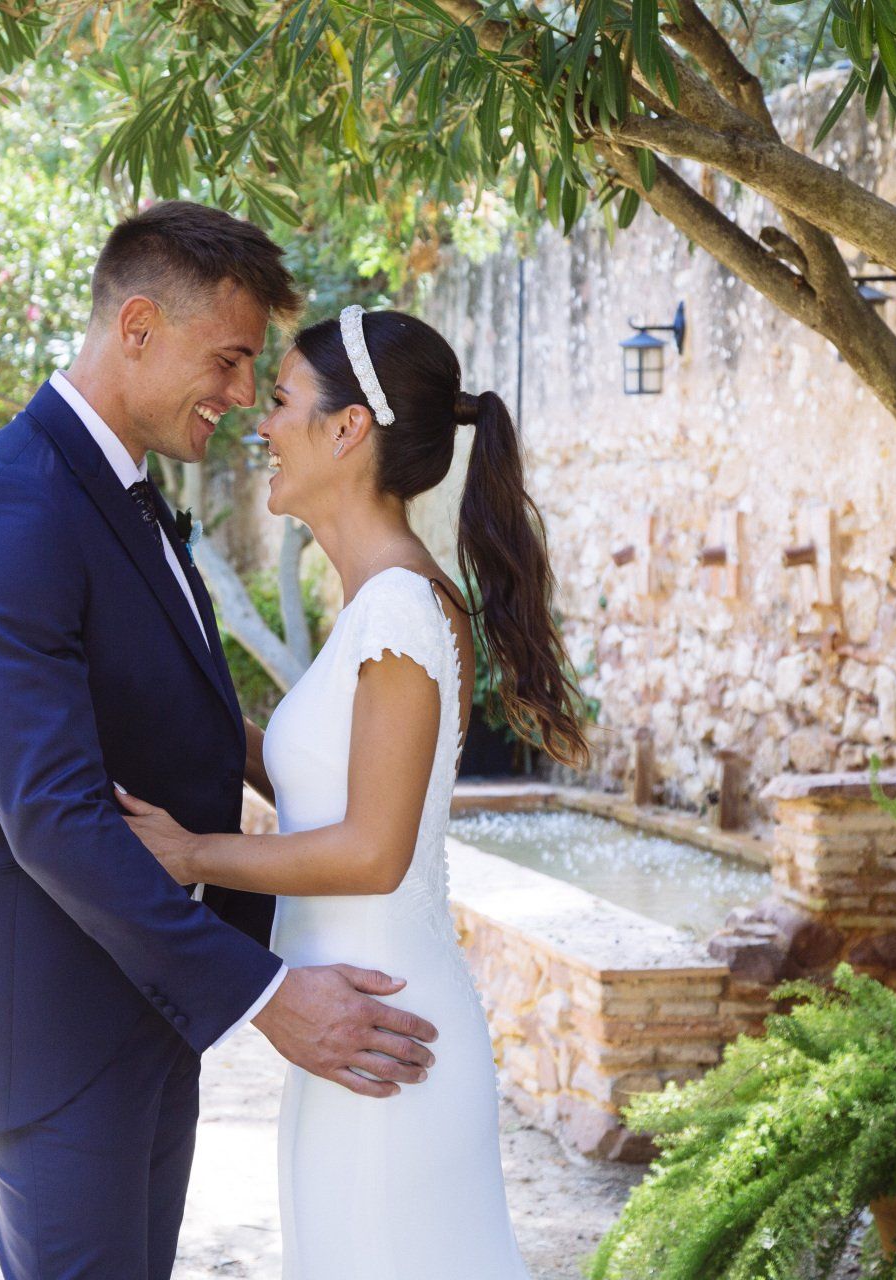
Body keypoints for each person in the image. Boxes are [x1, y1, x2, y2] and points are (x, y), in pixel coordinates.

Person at [0, 203, 441, 1280]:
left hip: (138, 1020)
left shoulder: (115, 493)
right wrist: (265, 990)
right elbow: (53, 816)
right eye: (232, 358)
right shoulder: (10, 510)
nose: (244, 395)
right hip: (56, 1039)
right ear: (139, 325)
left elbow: (180, 723)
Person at [119, 305, 592, 1278]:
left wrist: (194, 852)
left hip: (384, 1031)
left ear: (348, 429)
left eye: (283, 399)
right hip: (350, 1022)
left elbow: (373, 848)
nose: (261, 421)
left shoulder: (403, 614)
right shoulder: (378, 606)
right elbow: (316, 774)